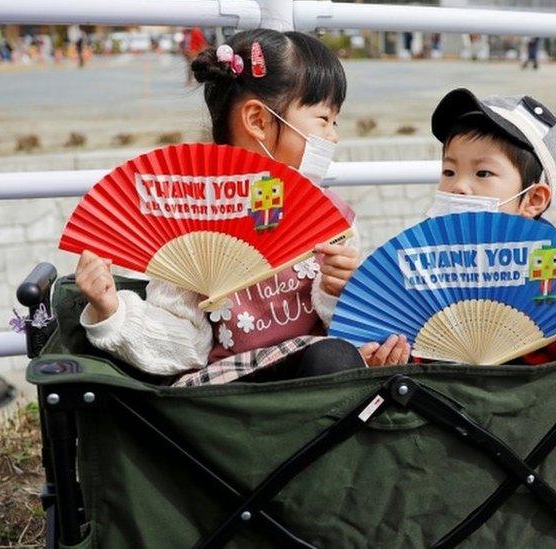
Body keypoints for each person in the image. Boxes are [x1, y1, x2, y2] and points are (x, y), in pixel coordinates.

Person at [76, 29, 409, 388]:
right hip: (234, 391)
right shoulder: (195, 222)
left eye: (336, 122)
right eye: (324, 119)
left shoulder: (332, 218)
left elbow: (345, 332)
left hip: (313, 383)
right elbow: (184, 343)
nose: (334, 135)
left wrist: (337, 290)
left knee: (333, 356)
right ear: (259, 121)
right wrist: (112, 312)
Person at [426, 88, 556, 363]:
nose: (458, 187)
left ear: (533, 199)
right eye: (449, 171)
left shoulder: (555, 261)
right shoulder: (424, 256)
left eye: (483, 173)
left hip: (526, 394)